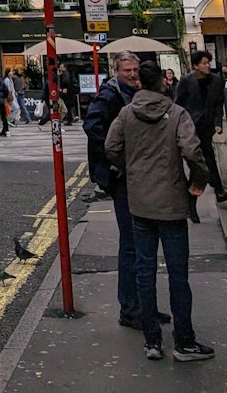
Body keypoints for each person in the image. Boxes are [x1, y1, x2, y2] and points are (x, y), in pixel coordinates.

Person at [105, 60, 212, 363]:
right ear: (163, 83)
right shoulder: (177, 114)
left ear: (139, 82)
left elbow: (111, 146)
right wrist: (198, 182)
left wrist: (132, 167)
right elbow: (193, 151)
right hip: (172, 202)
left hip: (139, 202)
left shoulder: (126, 114)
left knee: (144, 271)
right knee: (178, 275)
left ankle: (152, 341)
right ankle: (185, 343)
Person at [83, 51, 158, 332]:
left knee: (142, 243)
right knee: (131, 242)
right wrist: (116, 153)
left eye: (135, 69)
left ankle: (144, 305)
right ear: (116, 71)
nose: (132, 74)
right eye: (127, 70)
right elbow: (91, 125)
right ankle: (129, 307)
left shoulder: (136, 93)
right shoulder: (110, 95)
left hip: (136, 175)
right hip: (120, 176)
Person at [174, 51, 227, 204]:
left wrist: (218, 123)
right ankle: (210, 190)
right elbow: (178, 103)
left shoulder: (216, 80)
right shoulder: (186, 81)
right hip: (190, 126)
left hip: (207, 125)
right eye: (204, 63)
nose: (208, 66)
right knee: (201, 160)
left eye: (208, 62)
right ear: (195, 65)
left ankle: (210, 190)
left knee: (205, 159)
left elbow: (219, 103)